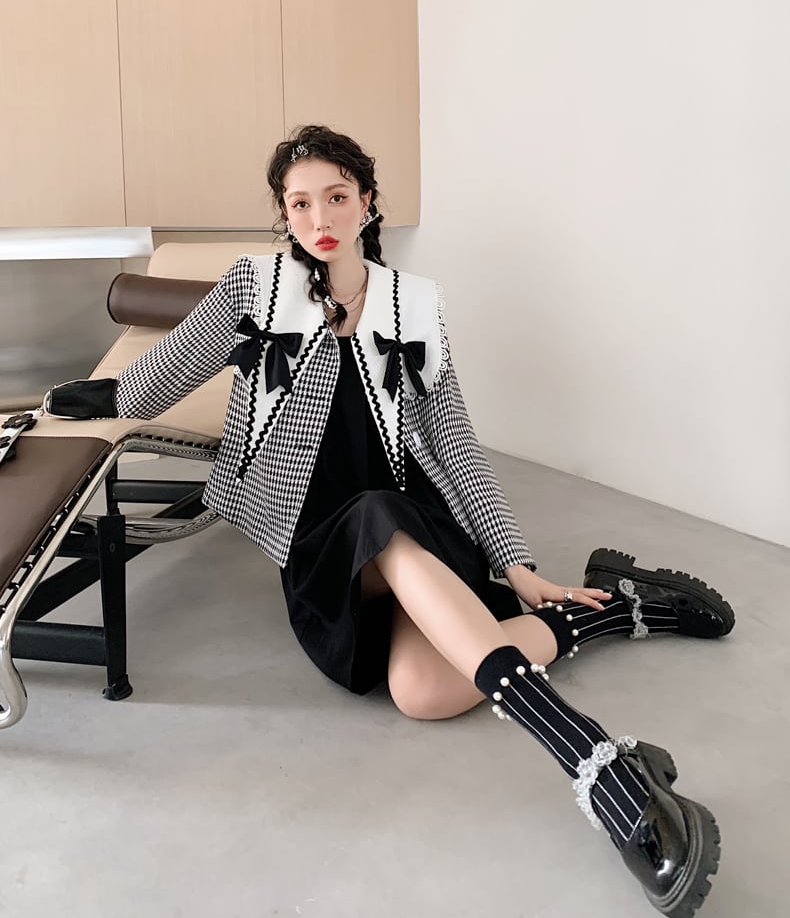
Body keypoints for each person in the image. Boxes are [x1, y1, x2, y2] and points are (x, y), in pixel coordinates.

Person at [47, 125, 733, 916]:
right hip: (318, 546)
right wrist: (97, 398)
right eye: (300, 203)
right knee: (420, 691)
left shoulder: (415, 304)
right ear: (283, 213)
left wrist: (515, 562)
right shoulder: (253, 289)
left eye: (337, 196)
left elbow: (456, 442)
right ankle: (619, 607)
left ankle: (602, 768)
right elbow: (164, 373)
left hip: (412, 524)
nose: (320, 218)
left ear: (367, 202)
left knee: (388, 538)